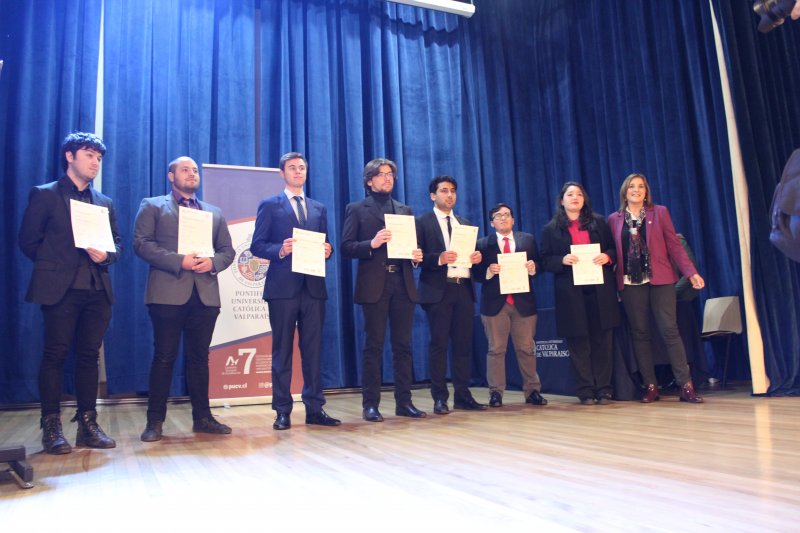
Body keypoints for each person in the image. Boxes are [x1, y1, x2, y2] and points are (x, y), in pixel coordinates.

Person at [18, 132, 121, 454]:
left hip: (96, 289)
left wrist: (106, 255)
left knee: (89, 357)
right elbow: (28, 241)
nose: (95, 162)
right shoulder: (45, 194)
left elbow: (116, 244)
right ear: (70, 156)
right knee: (55, 355)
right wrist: (56, 265)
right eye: (89, 155)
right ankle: (51, 426)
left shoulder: (104, 202)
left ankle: (88, 424)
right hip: (60, 289)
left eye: (99, 158)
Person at [134, 156, 235, 441]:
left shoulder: (213, 212)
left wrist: (212, 263)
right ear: (171, 176)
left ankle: (203, 418)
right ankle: (154, 421)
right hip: (167, 293)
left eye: (194, 170)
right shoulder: (153, 205)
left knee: (200, 358)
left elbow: (227, 251)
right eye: (185, 170)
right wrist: (181, 261)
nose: (191, 173)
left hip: (205, 295)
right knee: (164, 356)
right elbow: (141, 244)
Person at [250, 152, 340, 430]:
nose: (298, 171)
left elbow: (325, 243)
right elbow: (257, 245)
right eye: (292, 168)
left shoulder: (318, 208)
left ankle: (315, 408)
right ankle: (282, 410)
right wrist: (281, 249)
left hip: (313, 288)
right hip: (282, 289)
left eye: (302, 167)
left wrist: (328, 250)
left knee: (313, 351)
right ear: (282, 173)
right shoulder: (269, 205)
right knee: (282, 351)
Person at [607, 173, 705, 403]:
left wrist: (691, 273)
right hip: (630, 283)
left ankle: (686, 386)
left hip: (660, 279)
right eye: (632, 186)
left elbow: (674, 246)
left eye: (641, 186)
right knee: (640, 333)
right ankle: (650, 386)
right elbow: (613, 252)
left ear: (646, 192)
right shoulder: (614, 219)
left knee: (669, 330)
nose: (636, 190)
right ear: (625, 192)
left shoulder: (659, 212)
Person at [341, 158, 426, 422]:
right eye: (381, 174)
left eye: (390, 174)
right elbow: (346, 247)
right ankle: (370, 404)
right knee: (374, 346)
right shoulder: (357, 209)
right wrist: (372, 243)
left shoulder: (404, 210)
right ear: (369, 181)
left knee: (403, 346)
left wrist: (416, 256)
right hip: (375, 285)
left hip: (403, 282)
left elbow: (412, 247)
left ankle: (404, 402)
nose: (387, 178)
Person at [540, 182, 620, 405]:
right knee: (578, 343)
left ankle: (604, 389)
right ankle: (585, 390)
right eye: (570, 194)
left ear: (584, 199)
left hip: (600, 289)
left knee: (603, 341)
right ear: (562, 200)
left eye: (579, 194)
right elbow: (544, 260)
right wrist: (561, 260)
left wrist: (608, 257)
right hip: (571, 293)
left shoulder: (599, 222)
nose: (575, 197)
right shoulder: (551, 229)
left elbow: (613, 249)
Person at [416, 176, 486, 413]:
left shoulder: (464, 223)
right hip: (438, 290)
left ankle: (463, 396)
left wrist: (476, 258)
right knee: (439, 345)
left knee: (463, 345)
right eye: (444, 190)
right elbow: (415, 257)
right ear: (432, 195)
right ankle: (439, 397)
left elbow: (470, 257)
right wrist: (438, 258)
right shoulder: (422, 222)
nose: (449, 195)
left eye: (453, 191)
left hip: (463, 288)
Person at [474, 203, 547, 408]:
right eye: (498, 216)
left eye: (507, 215)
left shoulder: (527, 240)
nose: (503, 218)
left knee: (526, 349)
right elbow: (475, 273)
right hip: (495, 305)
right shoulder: (482, 244)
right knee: (496, 350)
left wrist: (533, 268)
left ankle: (532, 391)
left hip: (523, 302)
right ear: (492, 223)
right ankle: (496, 393)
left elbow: (541, 264)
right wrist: (488, 271)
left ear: (513, 220)